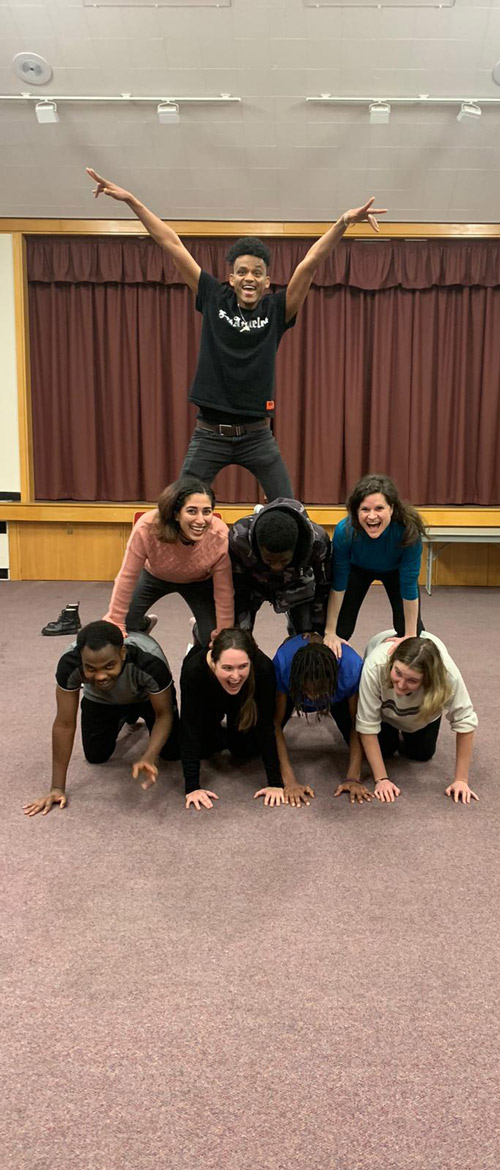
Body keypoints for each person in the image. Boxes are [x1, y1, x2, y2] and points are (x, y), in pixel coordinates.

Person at [87, 166, 386, 500]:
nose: (249, 278)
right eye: (242, 271)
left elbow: (310, 263)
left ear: (266, 281)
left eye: (257, 273)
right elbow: (170, 242)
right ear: (230, 278)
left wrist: (342, 222)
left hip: (257, 436)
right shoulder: (214, 297)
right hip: (209, 434)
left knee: (289, 508)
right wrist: (131, 201)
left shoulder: (277, 309)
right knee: (177, 505)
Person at [23, 621, 180, 818]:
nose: (100, 676)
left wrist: (150, 755)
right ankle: (123, 717)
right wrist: (56, 787)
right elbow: (64, 724)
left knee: (172, 752)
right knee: (96, 756)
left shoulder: (150, 660)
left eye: (109, 666)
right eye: (91, 668)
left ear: (122, 654)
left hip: (145, 697)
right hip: (102, 699)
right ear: (81, 659)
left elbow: (163, 715)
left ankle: (139, 628)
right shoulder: (69, 663)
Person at [104, 476, 234, 646]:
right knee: (124, 625)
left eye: (207, 511)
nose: (201, 520)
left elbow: (224, 590)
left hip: (199, 581)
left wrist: (223, 633)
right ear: (176, 513)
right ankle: (144, 624)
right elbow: (127, 576)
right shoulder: (147, 527)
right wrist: (116, 621)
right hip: (154, 577)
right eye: (192, 511)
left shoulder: (219, 534)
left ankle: (197, 628)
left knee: (210, 638)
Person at [356, 630, 479, 805]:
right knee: (384, 751)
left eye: (412, 681)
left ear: (428, 680)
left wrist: (461, 780)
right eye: (397, 673)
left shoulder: (447, 676)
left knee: (421, 754)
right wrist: (381, 779)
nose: (400, 685)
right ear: (391, 663)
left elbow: (465, 721)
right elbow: (367, 724)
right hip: (385, 712)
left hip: (422, 713)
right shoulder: (375, 665)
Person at [180, 628, 284, 810]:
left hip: (243, 698)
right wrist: (192, 787)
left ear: (251, 662)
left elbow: (266, 726)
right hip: (209, 696)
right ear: (214, 661)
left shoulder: (263, 668)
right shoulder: (194, 670)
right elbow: (190, 728)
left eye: (242, 666)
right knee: (196, 749)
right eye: (227, 668)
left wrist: (275, 783)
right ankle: (198, 634)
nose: (236, 676)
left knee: (244, 750)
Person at [324, 474, 426, 658]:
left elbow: (409, 585)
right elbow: (339, 584)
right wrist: (330, 632)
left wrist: (410, 635)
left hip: (395, 571)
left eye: (379, 508)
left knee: (410, 632)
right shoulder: (345, 531)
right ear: (356, 511)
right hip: (358, 569)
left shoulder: (407, 532)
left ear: (392, 508)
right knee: (340, 630)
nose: (372, 516)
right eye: (365, 509)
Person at [273, 633, 372, 808]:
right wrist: (289, 781)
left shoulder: (351, 668)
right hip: (293, 691)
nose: (312, 697)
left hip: (336, 694)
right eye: (308, 691)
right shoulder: (283, 664)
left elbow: (359, 722)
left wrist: (353, 778)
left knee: (368, 741)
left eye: (317, 692)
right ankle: (293, 634)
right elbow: (275, 724)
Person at [229, 498, 331, 636]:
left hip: (297, 581)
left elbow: (323, 585)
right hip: (253, 581)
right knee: (237, 636)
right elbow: (237, 585)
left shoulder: (317, 542)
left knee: (307, 634)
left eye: (283, 560)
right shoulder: (239, 538)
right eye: (269, 560)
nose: (276, 567)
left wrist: (318, 627)